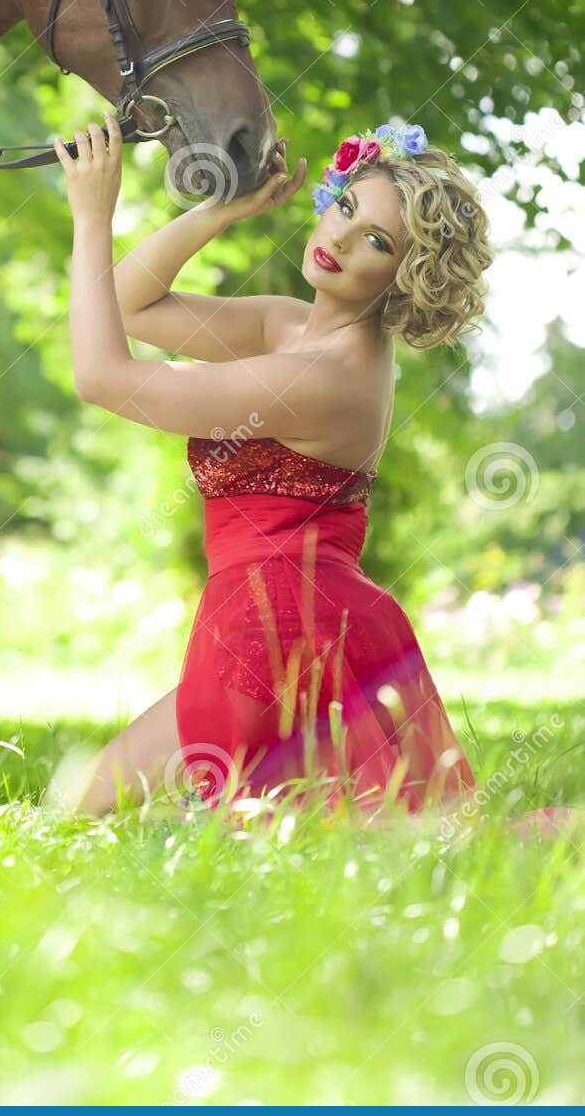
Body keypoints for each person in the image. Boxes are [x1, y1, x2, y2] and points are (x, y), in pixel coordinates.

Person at [48, 112, 496, 824]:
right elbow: (131, 306)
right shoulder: (290, 325)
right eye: (345, 208)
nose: (340, 240)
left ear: (404, 278)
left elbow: (101, 377)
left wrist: (90, 214)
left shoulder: (324, 375)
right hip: (281, 624)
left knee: (85, 815)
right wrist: (217, 211)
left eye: (375, 241)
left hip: (279, 638)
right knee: (80, 808)